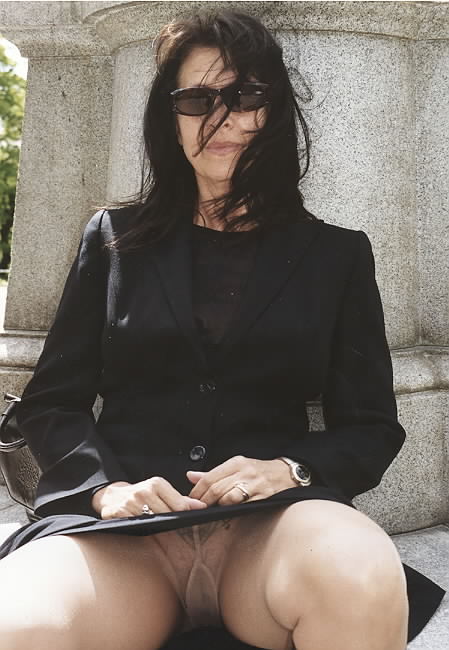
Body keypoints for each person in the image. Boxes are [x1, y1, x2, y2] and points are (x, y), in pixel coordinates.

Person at [0, 9, 445, 650]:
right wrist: (103, 490)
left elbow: (372, 427)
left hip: (270, 532)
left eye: (245, 96)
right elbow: (52, 403)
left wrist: (291, 469)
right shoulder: (114, 240)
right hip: (127, 541)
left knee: (362, 576)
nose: (221, 120)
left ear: (274, 110)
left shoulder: (337, 255)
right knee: (16, 620)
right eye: (196, 100)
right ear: (170, 117)